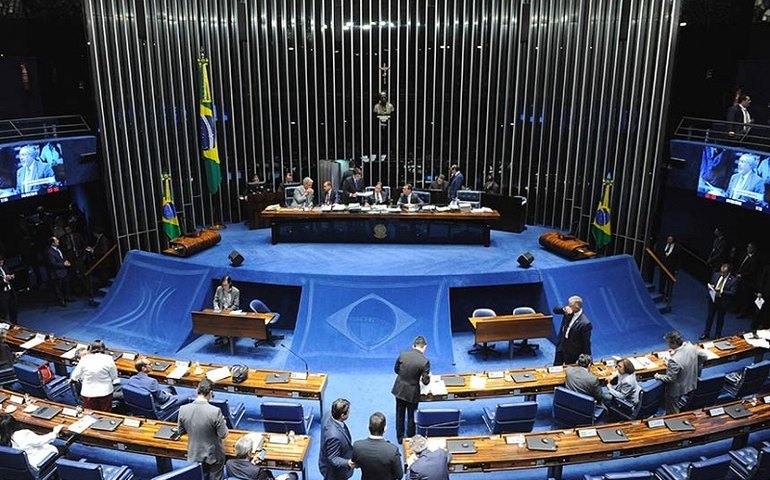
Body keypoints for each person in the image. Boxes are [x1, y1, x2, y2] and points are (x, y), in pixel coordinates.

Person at [178, 378, 229, 480]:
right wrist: (223, 423)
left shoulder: (183, 409)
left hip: (194, 452)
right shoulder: (215, 412)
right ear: (210, 393)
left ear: (197, 391)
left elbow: (181, 431)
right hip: (213, 454)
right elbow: (223, 434)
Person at [654, 331, 707, 414]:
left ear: (674, 343)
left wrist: (658, 376)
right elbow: (704, 356)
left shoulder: (674, 360)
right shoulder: (690, 346)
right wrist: (694, 366)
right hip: (690, 381)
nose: (668, 345)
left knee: (672, 410)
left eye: (668, 343)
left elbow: (670, 378)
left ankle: (674, 423)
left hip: (676, 390)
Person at [391, 336, 430, 442]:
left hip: (399, 388)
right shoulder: (424, 361)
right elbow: (425, 381)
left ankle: (400, 438)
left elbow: (396, 369)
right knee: (411, 415)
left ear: (413, 346)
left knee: (400, 413)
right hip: (412, 392)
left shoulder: (403, 354)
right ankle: (411, 438)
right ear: (424, 347)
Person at [0, 412, 64, 471]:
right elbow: (40, 441)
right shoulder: (23, 434)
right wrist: (54, 433)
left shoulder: (3, 439)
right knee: (64, 447)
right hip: (39, 462)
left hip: (23, 467)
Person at [350, 412, 403, 480]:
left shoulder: (357, 446)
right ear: (385, 429)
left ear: (368, 427)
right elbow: (399, 475)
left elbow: (355, 463)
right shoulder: (392, 450)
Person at [70, 339, 119, 412]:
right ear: (103, 348)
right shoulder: (108, 359)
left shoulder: (84, 359)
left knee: (89, 416)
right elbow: (114, 376)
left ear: (91, 348)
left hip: (89, 394)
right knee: (105, 414)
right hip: (105, 392)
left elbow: (74, 376)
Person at [226, 434, 298, 480]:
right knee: (293, 476)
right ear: (249, 453)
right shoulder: (257, 471)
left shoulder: (229, 463)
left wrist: (251, 464)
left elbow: (242, 473)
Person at [319, 398, 354, 480]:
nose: (349, 413)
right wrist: (348, 462)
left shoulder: (328, 414)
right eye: (348, 412)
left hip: (325, 457)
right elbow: (333, 458)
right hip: (334, 473)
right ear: (342, 415)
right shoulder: (334, 436)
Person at [701, 263, 738, 340]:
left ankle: (717, 335)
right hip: (713, 300)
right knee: (710, 317)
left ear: (728, 272)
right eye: (721, 272)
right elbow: (712, 283)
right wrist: (712, 287)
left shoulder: (733, 281)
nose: (722, 274)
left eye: (724, 273)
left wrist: (721, 291)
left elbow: (732, 292)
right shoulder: (716, 275)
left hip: (723, 302)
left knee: (720, 319)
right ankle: (706, 333)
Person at [552, 295, 592, 365]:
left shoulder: (585, 323)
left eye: (570, 305)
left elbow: (586, 342)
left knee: (570, 370)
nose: (568, 306)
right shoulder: (568, 311)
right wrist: (564, 309)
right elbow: (555, 310)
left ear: (576, 307)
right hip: (561, 344)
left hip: (572, 350)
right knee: (556, 367)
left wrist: (587, 357)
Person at [213, 275, 240, 346]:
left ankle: (226, 336)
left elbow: (236, 305)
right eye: (222, 285)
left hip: (231, 311)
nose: (223, 287)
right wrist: (216, 307)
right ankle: (224, 336)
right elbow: (215, 300)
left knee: (226, 321)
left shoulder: (236, 291)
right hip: (221, 311)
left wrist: (228, 310)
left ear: (230, 283)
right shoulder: (219, 289)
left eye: (225, 285)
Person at [736, 243, 761, 318]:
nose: (748, 249)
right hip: (739, 278)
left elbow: (751, 271)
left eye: (750, 247)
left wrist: (741, 275)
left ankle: (743, 312)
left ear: (753, 249)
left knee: (745, 297)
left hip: (747, 281)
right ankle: (737, 308)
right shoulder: (744, 255)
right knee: (739, 294)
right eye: (748, 247)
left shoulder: (755, 260)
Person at [46, 236, 71, 307]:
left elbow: (62, 257)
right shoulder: (49, 252)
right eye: (56, 240)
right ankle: (61, 301)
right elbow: (53, 263)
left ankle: (67, 297)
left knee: (66, 285)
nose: (58, 241)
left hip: (63, 271)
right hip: (56, 273)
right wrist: (63, 264)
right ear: (52, 243)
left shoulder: (59, 249)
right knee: (58, 288)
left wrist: (65, 260)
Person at [0, 255, 18, 324]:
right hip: (2, 294)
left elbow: (10, 274)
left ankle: (15, 326)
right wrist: (4, 279)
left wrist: (12, 277)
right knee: (3, 314)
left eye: (2, 260)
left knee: (13, 310)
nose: (1, 261)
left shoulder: (5, 267)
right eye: (0, 260)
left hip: (10, 292)